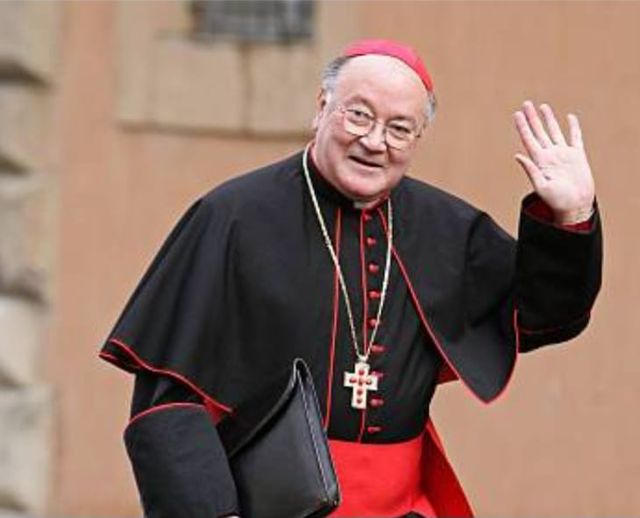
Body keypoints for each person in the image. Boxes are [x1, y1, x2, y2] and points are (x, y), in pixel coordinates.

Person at [100, 39, 602, 517]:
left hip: (404, 505)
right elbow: (167, 402)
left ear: (417, 139)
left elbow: (540, 317)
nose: (375, 141)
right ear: (322, 107)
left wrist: (571, 216)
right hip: (266, 507)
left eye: (400, 128)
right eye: (358, 115)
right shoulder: (233, 217)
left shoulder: (445, 227)